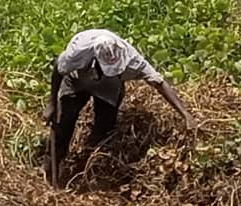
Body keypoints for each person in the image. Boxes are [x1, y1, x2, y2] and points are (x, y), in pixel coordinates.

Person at [43, 29, 196, 186]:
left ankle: (85, 172)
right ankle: (49, 174)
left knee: (103, 132)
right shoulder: (77, 52)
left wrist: (185, 114)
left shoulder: (131, 58)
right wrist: (52, 104)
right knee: (63, 125)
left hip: (109, 87)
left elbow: (159, 82)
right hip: (76, 80)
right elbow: (58, 68)